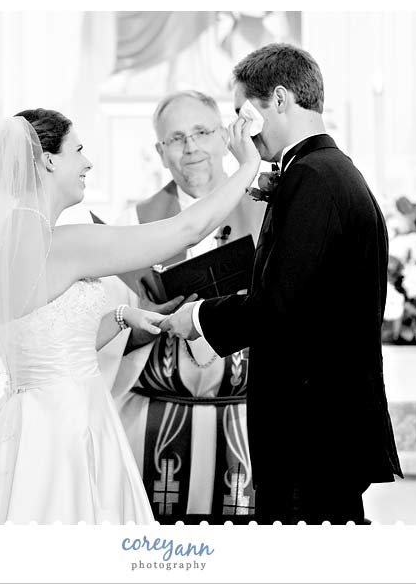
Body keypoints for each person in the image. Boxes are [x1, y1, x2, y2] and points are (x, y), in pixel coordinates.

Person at [0, 108, 260, 525]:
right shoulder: (65, 243)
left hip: (25, 424)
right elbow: (186, 230)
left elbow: (45, 341)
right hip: (68, 427)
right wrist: (248, 166)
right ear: (48, 160)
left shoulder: (0, 243)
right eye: (77, 150)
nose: (87, 162)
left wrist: (120, 316)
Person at [161, 43, 403, 525]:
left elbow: (278, 306)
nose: (239, 130)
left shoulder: (313, 179)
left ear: (278, 99)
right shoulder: (328, 171)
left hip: (309, 428)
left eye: (241, 113)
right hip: (323, 425)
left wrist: (198, 317)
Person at [104, 90, 264, 522]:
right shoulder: (136, 223)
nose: (191, 147)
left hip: (252, 421)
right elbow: (103, 327)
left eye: (202, 132)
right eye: (176, 138)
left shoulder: (271, 211)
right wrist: (143, 324)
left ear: (224, 138)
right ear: (160, 151)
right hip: (156, 423)